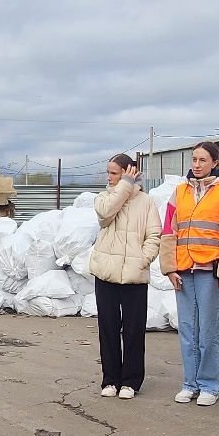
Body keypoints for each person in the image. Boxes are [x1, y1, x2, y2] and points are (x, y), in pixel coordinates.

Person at [161, 140, 219, 406]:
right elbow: (169, 233)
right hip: (184, 269)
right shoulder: (180, 191)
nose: (196, 165)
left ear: (215, 163)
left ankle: (209, 384)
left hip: (210, 269)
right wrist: (169, 268)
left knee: (207, 331)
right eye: (194, 160)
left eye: (202, 160)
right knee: (187, 329)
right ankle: (189, 383)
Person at [90, 153, 161, 400]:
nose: (109, 178)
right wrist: (123, 187)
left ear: (130, 172)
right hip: (106, 272)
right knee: (108, 328)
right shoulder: (104, 197)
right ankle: (110, 379)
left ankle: (131, 381)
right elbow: (105, 214)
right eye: (108, 173)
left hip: (134, 276)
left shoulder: (146, 202)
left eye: (114, 173)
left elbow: (154, 236)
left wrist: (141, 261)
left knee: (133, 330)